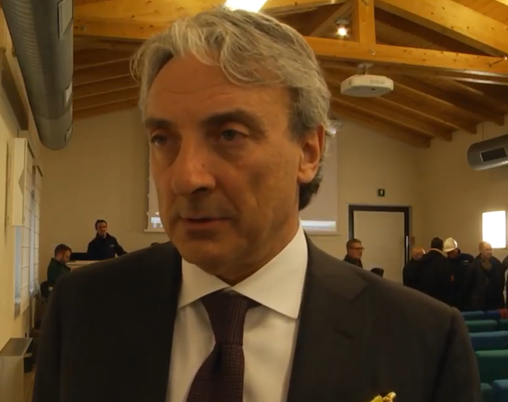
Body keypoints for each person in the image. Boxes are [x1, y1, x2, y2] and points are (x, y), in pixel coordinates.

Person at [33, 8, 479, 402]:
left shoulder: (422, 336)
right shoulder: (84, 308)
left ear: (308, 151)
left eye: (229, 134)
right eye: (162, 138)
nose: (186, 177)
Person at [468, 242, 506, 311]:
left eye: (490, 249)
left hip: (494, 300)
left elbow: (501, 281)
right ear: (480, 250)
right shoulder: (474, 265)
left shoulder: (496, 263)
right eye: (487, 250)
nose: (490, 252)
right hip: (479, 301)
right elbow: (469, 284)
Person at [444, 238, 475, 310]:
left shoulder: (468, 258)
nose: (450, 254)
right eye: (448, 253)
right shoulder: (445, 263)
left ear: (456, 249)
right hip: (453, 297)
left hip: (468, 295)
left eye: (452, 252)